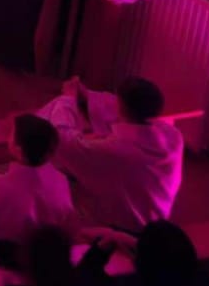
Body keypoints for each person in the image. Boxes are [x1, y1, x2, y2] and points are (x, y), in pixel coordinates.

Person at [39, 76, 183, 231]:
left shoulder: (116, 151)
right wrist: (86, 95)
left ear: (122, 106)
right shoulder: (173, 136)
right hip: (156, 220)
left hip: (125, 228)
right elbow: (118, 109)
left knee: (53, 172)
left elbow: (61, 139)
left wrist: (67, 99)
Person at [0, 114, 75, 261]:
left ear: (18, 150)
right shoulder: (61, 180)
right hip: (51, 261)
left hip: (5, 263)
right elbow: (67, 225)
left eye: (11, 134)